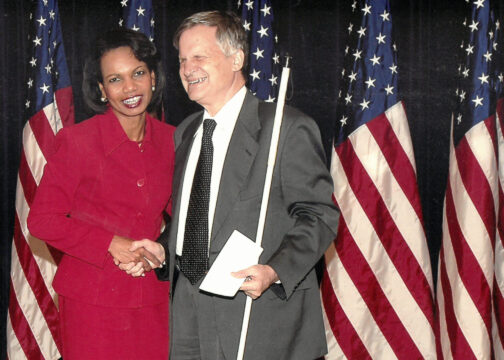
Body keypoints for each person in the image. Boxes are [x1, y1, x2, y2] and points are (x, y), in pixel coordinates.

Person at [146, 10, 339, 359]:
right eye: (183, 60)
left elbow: (319, 216)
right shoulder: (187, 132)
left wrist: (274, 270)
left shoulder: (285, 128)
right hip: (186, 309)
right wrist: (164, 247)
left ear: (236, 58)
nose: (188, 69)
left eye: (200, 57)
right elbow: (196, 216)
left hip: (257, 316)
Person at [27, 28, 173, 360]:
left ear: (153, 77)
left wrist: (162, 252)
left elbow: (188, 221)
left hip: (154, 297)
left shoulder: (173, 140)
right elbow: (42, 221)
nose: (130, 88)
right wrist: (109, 243)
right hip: (92, 303)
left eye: (138, 74)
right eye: (115, 79)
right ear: (101, 89)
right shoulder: (77, 141)